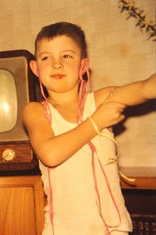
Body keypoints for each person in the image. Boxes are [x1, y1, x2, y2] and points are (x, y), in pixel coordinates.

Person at [22, 22, 156, 235]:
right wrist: (96, 122)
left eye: (66, 56)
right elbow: (50, 154)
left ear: (83, 66)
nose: (56, 64)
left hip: (115, 229)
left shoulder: (101, 100)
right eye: (46, 57)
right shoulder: (36, 111)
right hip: (64, 231)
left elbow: (146, 88)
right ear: (35, 68)